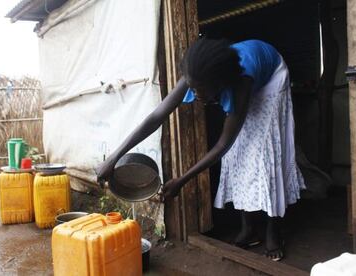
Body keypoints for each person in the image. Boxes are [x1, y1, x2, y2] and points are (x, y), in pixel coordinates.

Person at [97, 38, 305, 261]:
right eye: (192, 87)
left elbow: (223, 144)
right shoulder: (194, 75)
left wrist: (182, 180)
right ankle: (249, 229)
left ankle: (274, 231)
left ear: (219, 84)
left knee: (265, 153)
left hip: (271, 75)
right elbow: (156, 117)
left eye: (200, 90)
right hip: (241, 72)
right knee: (239, 154)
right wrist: (114, 157)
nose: (195, 94)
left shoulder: (241, 84)